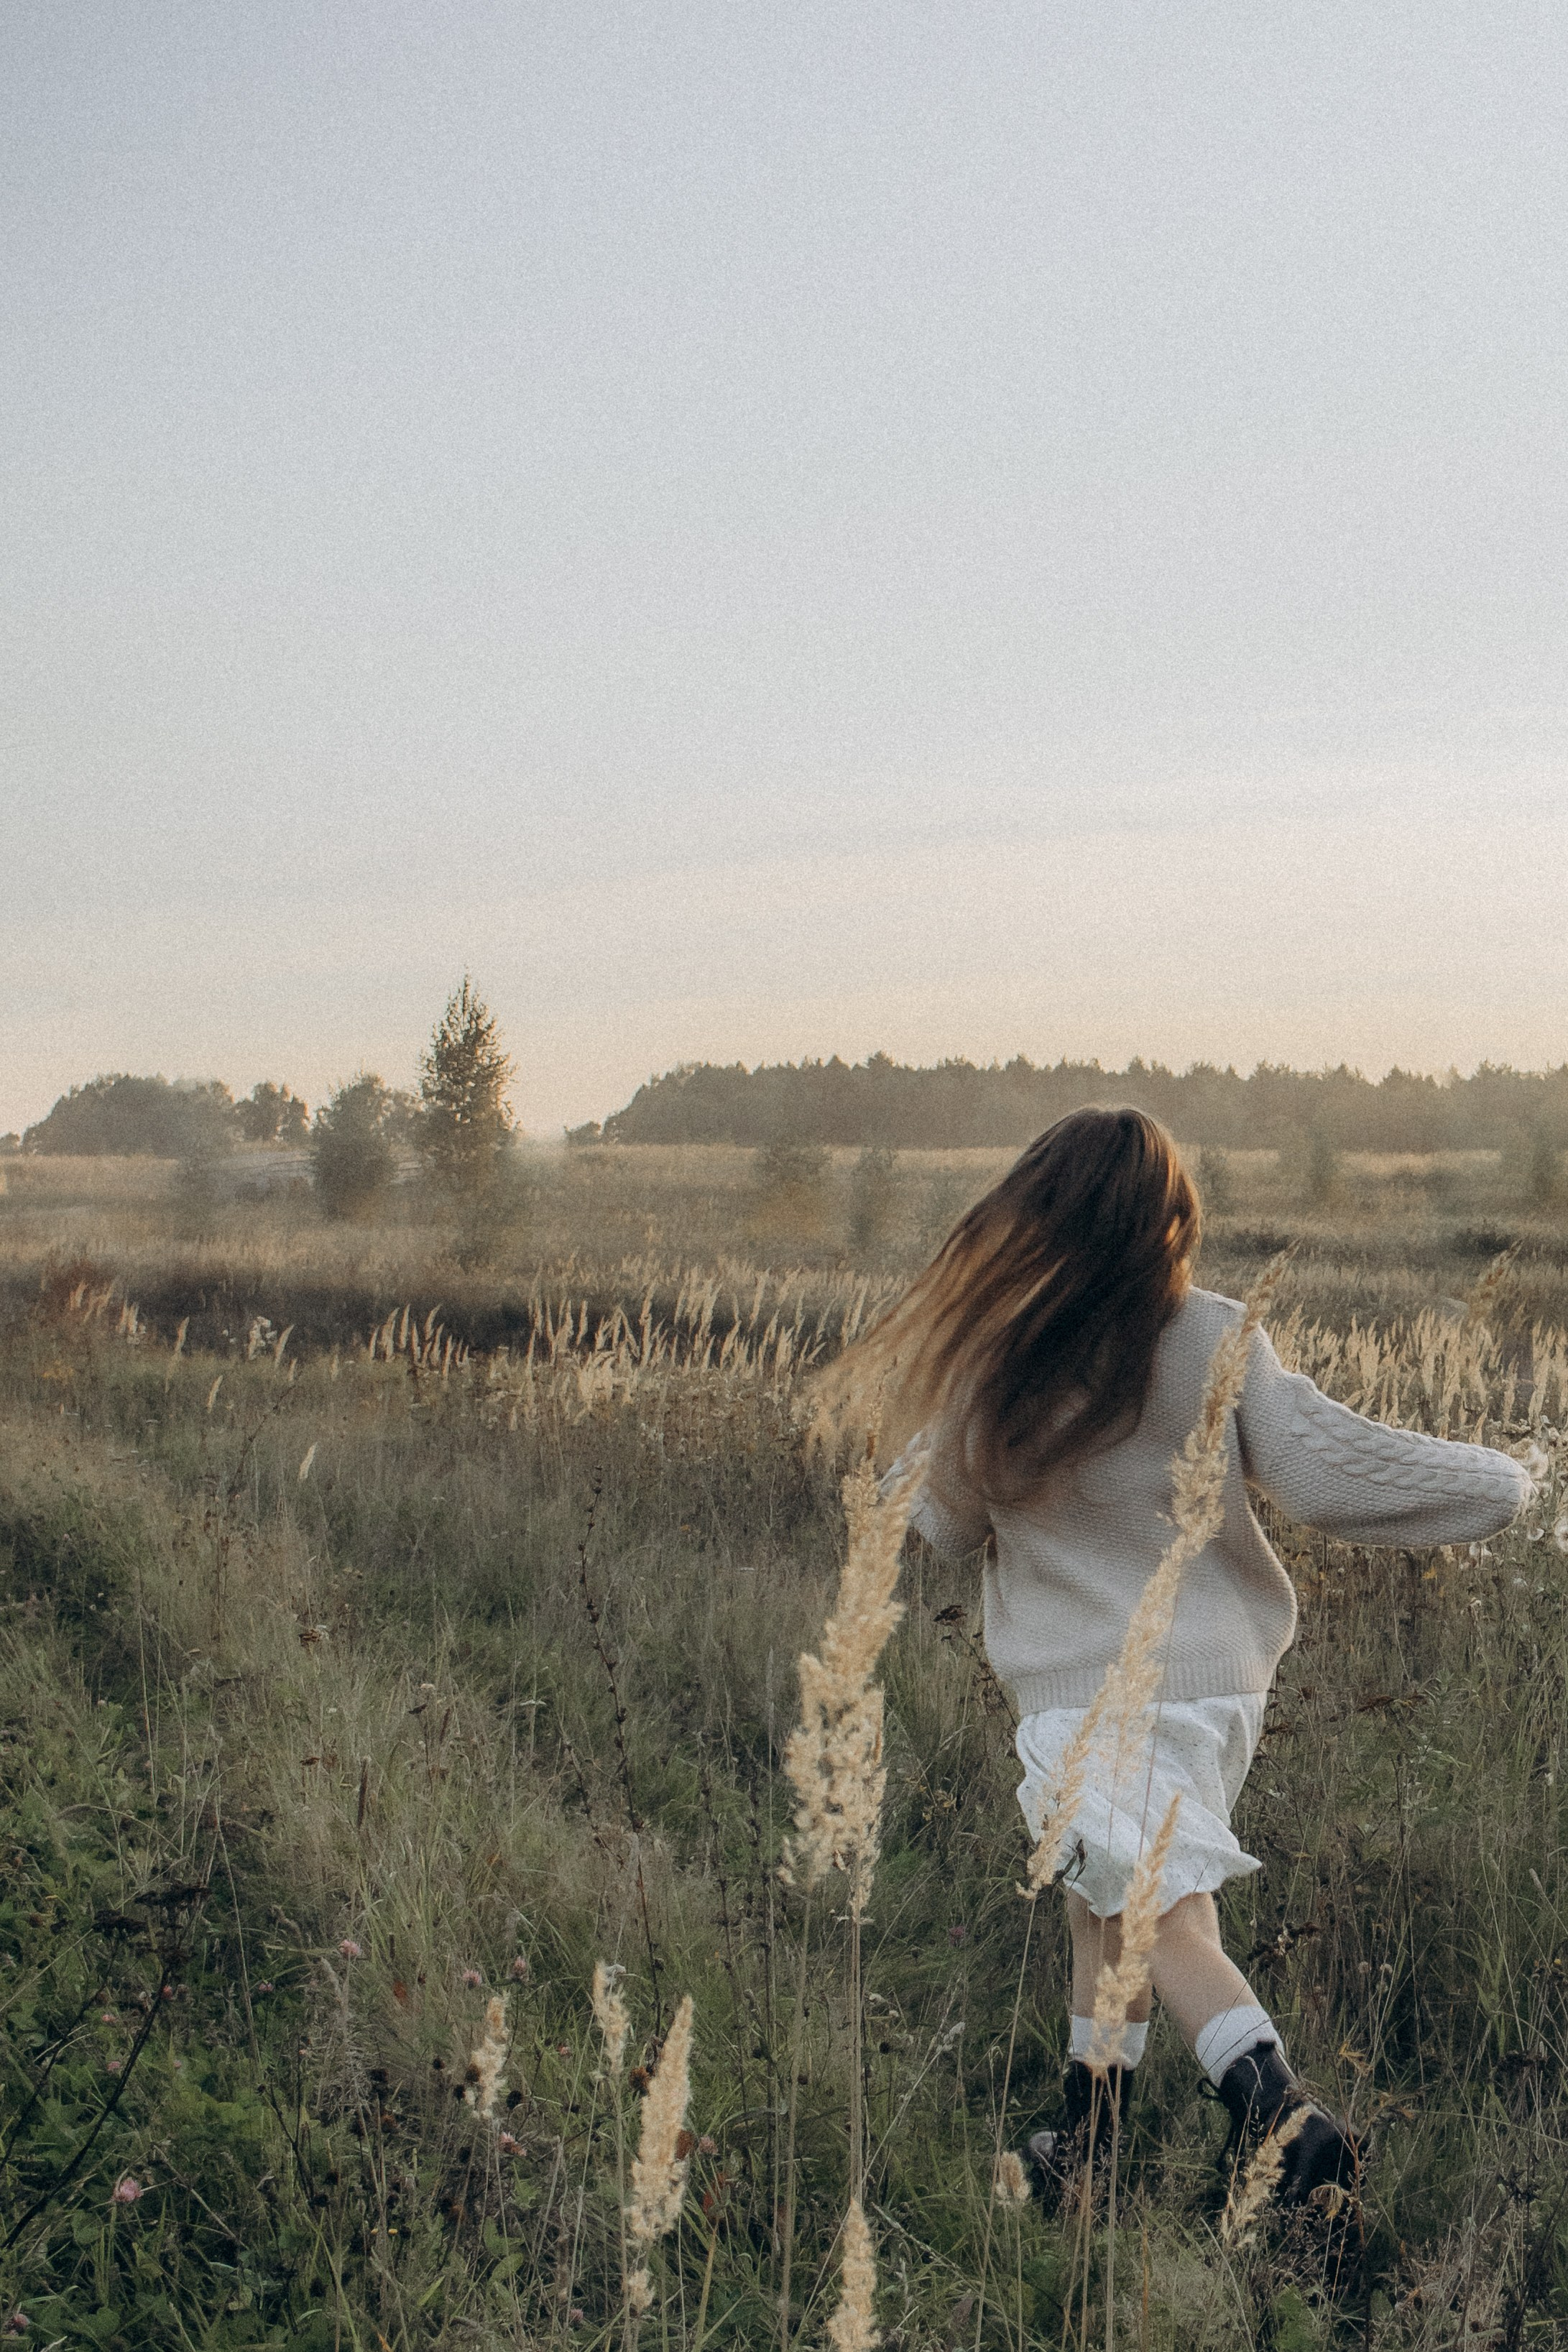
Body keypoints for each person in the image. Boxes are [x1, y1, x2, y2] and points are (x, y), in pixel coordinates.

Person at [824, 1106, 1531, 2218]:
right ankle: (1089, 2137)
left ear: (1036, 1213)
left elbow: (949, 1524)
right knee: (1102, 1906)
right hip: (1215, 1690)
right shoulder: (1212, 1333)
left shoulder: (1002, 1357)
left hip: (1085, 1697)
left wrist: (894, 1474)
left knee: (1157, 1912)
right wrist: (1499, 1479)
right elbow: (1321, 1470)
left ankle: (1286, 2123)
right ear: (1166, 1218)